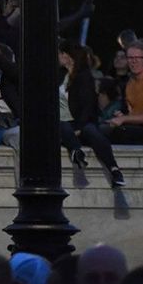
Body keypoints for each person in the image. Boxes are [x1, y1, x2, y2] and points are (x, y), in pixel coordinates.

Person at [58, 43, 124, 187]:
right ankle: (76, 152)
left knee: (91, 131)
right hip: (62, 122)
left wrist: (80, 127)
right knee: (62, 126)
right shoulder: (59, 75)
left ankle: (114, 170)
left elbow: (88, 105)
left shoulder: (83, 76)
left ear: (68, 56)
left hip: (80, 121)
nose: (58, 57)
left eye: (61, 53)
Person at [106, 39, 143, 146]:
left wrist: (124, 119)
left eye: (138, 58)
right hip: (133, 126)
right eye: (130, 58)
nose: (133, 61)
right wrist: (122, 116)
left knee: (112, 134)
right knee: (98, 129)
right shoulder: (130, 82)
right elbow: (132, 112)